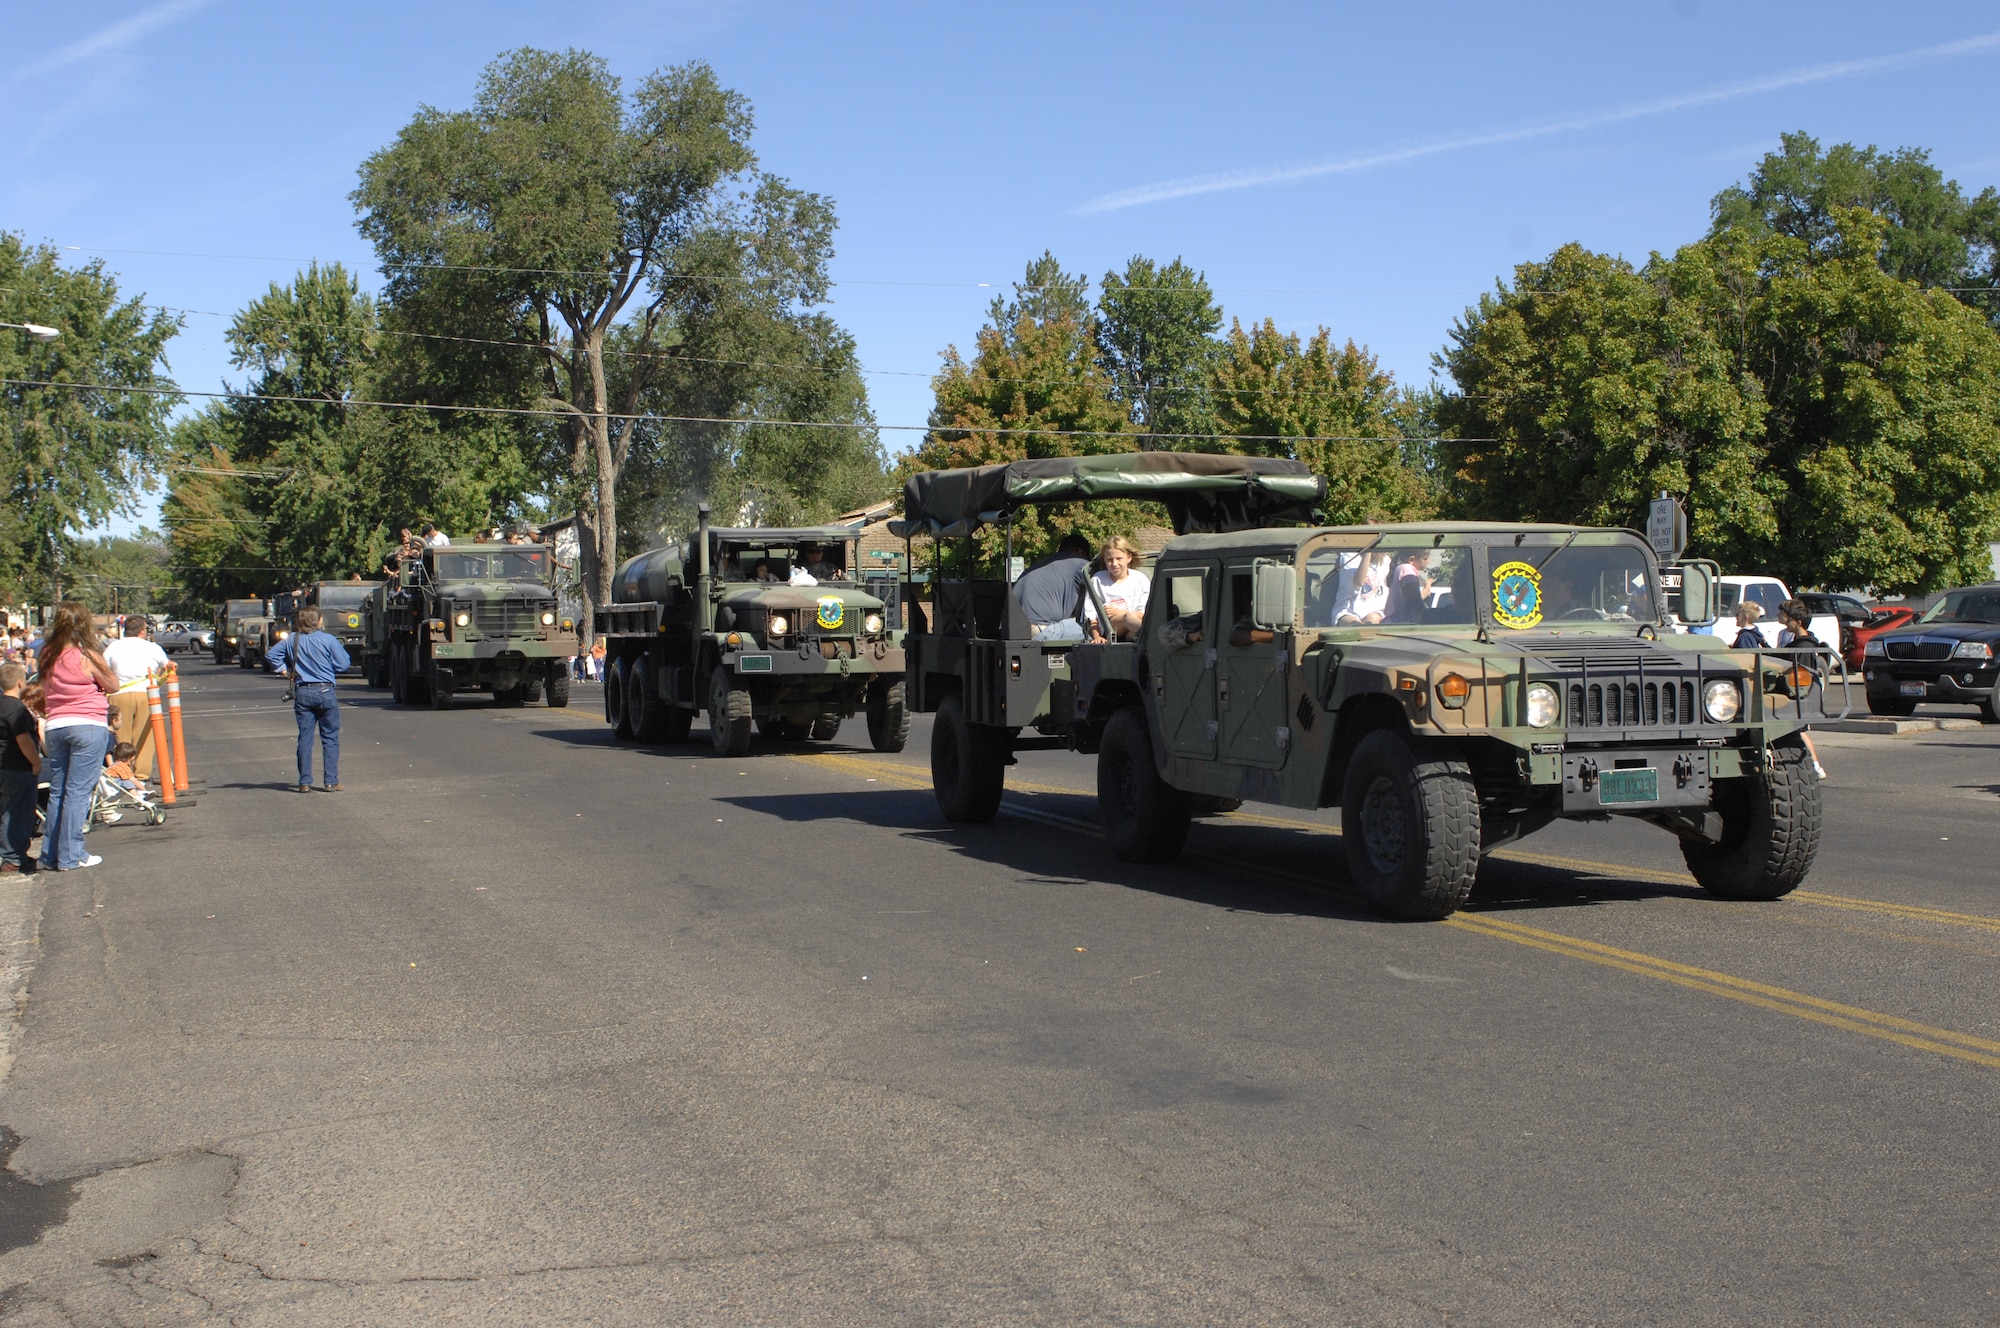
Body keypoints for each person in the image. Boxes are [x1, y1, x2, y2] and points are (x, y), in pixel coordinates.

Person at [36, 603, 115, 871]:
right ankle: (71, 854)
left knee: (58, 791)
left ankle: (50, 855)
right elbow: (113, 684)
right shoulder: (87, 655)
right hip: (88, 723)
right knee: (78, 792)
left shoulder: (47, 654)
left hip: (56, 724)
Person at [265, 606, 351, 793]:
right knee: (330, 737)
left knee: (305, 738)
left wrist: (285, 671)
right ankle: (330, 781)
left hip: (303, 691)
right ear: (318, 621)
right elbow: (343, 664)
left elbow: (271, 655)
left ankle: (304, 782)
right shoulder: (328, 639)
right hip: (325, 690)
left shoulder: (293, 639)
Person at [102, 616, 170, 784]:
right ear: (142, 630)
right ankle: (141, 774)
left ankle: (121, 771)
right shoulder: (152, 648)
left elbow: (104, 669)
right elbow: (167, 665)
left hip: (119, 692)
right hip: (146, 693)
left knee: (120, 735)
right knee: (145, 736)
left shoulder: (113, 647)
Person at [1011, 533, 1094, 642]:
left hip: (1012, 631)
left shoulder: (1043, 565)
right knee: (1095, 629)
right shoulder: (1080, 564)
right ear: (1079, 552)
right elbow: (1102, 582)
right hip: (1040, 630)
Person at [0, 661, 40, 875]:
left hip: (5, 766)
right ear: (20, 682)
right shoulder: (16, 709)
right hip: (17, 766)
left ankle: (13, 855)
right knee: (18, 812)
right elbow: (23, 740)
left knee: (7, 810)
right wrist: (36, 762)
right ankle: (14, 857)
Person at [1084, 536, 1150, 641]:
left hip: (1133, 627)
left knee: (1132, 634)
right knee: (1127, 617)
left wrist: (1119, 612)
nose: (1114, 564)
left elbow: (1144, 614)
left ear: (1129, 558)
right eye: (1109, 560)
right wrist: (1097, 637)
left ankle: (1142, 636)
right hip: (1109, 629)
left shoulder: (1140, 579)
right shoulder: (1098, 580)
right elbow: (1091, 616)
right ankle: (1152, 635)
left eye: (1119, 559)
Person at [1334, 553, 1392, 625]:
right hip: (1348, 610)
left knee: (1372, 622)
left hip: (1375, 610)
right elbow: (1359, 582)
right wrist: (1367, 553)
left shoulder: (1385, 559)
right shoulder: (1349, 556)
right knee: (1356, 627)